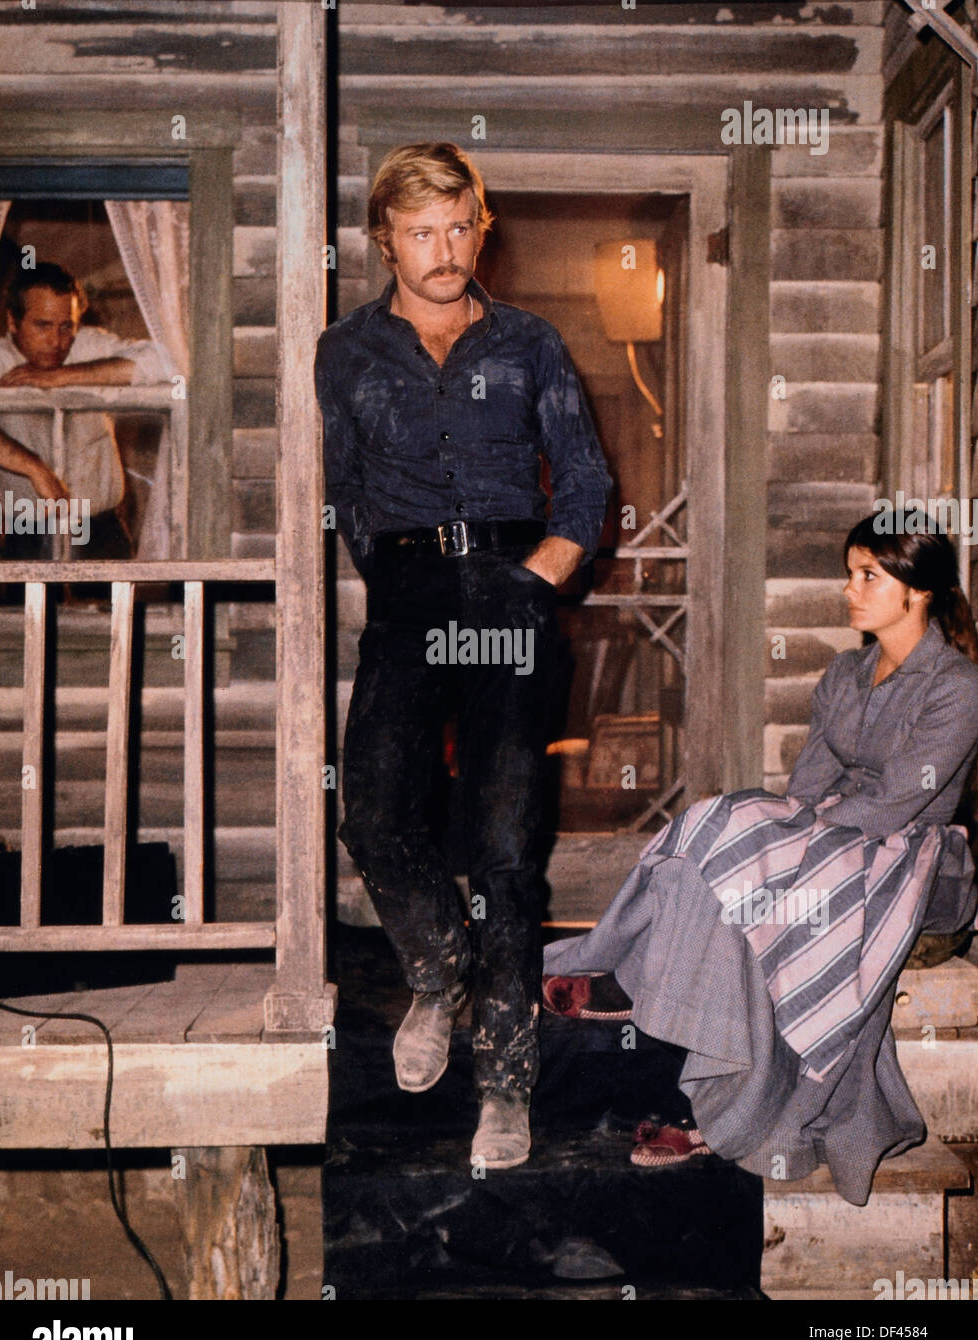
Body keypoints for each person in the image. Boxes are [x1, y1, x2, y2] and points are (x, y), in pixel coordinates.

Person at [315, 142, 612, 1168]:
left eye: (459, 227)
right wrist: (389, 574)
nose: (443, 252)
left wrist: (536, 579)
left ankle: (507, 1084)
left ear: (481, 227)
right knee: (373, 812)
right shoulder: (345, 351)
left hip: (509, 590)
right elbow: (345, 486)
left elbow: (583, 480)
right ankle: (438, 968)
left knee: (504, 845)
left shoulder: (530, 342)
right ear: (384, 238)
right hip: (407, 594)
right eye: (420, 232)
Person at [544, 513, 978, 1205]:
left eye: (869, 575)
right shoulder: (845, 672)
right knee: (722, 836)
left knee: (764, 867)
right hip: (835, 836)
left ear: (918, 590)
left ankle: (694, 1055)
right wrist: (786, 830)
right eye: (848, 573)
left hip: (917, 856)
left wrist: (796, 835)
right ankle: (636, 975)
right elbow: (809, 780)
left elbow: (900, 804)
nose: (849, 590)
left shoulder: (955, 684)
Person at [0, 261, 167, 560]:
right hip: (28, 531)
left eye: (66, 326)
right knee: (32, 609)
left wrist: (63, 376)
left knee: (118, 608)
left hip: (101, 528)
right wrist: (33, 467)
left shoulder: (87, 346)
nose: (57, 341)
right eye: (42, 326)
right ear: (13, 322)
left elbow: (166, 361)